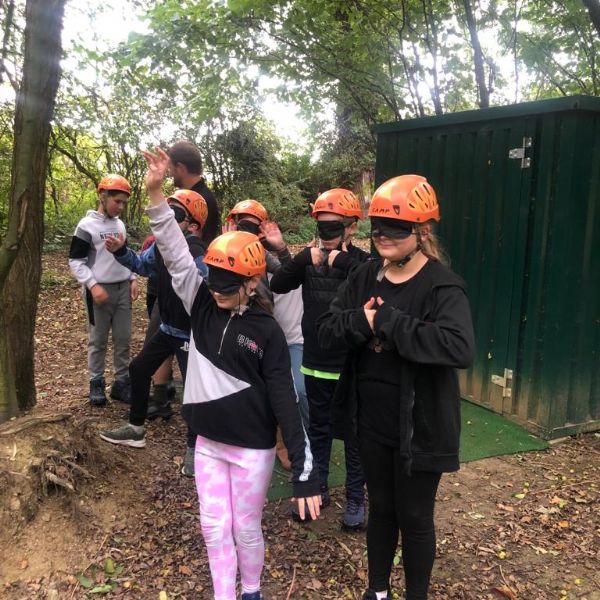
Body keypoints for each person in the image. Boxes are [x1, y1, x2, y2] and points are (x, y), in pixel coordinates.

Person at [142, 147, 321, 600]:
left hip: (251, 450)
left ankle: (252, 590)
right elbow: (175, 252)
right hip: (208, 443)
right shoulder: (202, 301)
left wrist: (304, 470)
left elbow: (284, 397)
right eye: (214, 280)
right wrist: (156, 193)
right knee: (212, 525)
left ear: (251, 282)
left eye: (227, 285)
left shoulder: (267, 331)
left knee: (245, 526)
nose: (217, 291)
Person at [317, 175, 476, 600]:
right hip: (372, 421)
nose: (383, 236)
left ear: (421, 231)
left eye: (396, 227)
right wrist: (362, 320)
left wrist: (391, 322)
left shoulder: (441, 285)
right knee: (382, 509)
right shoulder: (365, 276)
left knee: (415, 516)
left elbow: (459, 347)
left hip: (421, 428)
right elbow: (327, 329)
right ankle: (378, 590)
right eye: (378, 227)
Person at [270, 188, 370, 529]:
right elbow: (279, 284)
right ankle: (319, 488)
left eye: (334, 227)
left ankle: (355, 499)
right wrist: (302, 259)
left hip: (349, 365)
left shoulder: (362, 261)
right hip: (315, 360)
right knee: (319, 429)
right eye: (322, 226)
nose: (326, 234)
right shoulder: (309, 260)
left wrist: (339, 261)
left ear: (351, 227)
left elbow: (373, 281)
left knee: (354, 434)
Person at [99, 189, 208, 476]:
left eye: (176, 215)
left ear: (192, 225)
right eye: (167, 213)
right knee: (138, 369)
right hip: (169, 327)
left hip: (191, 334)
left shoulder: (196, 252)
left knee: (195, 391)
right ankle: (135, 429)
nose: (168, 220)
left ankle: (196, 450)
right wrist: (120, 251)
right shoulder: (161, 247)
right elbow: (141, 265)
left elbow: (209, 286)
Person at [225, 199, 310, 468]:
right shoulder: (234, 264)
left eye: (253, 228)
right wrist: (227, 244)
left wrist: (280, 248)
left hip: (286, 341)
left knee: (294, 390)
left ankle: (293, 443)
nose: (248, 233)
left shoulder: (271, 263)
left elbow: (291, 272)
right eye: (243, 226)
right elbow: (221, 289)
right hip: (251, 339)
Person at [68, 174, 139, 406]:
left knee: (123, 339)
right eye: (117, 201)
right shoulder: (86, 226)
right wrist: (92, 284)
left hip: (122, 289)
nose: (121, 207)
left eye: (124, 203)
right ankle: (96, 382)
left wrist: (133, 277)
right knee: (98, 340)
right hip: (98, 291)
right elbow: (75, 261)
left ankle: (121, 383)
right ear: (102, 196)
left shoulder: (120, 225)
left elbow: (126, 255)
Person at [167, 140, 220, 244]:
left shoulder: (201, 201)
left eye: (171, 168)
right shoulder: (187, 196)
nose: (170, 174)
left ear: (180, 168)